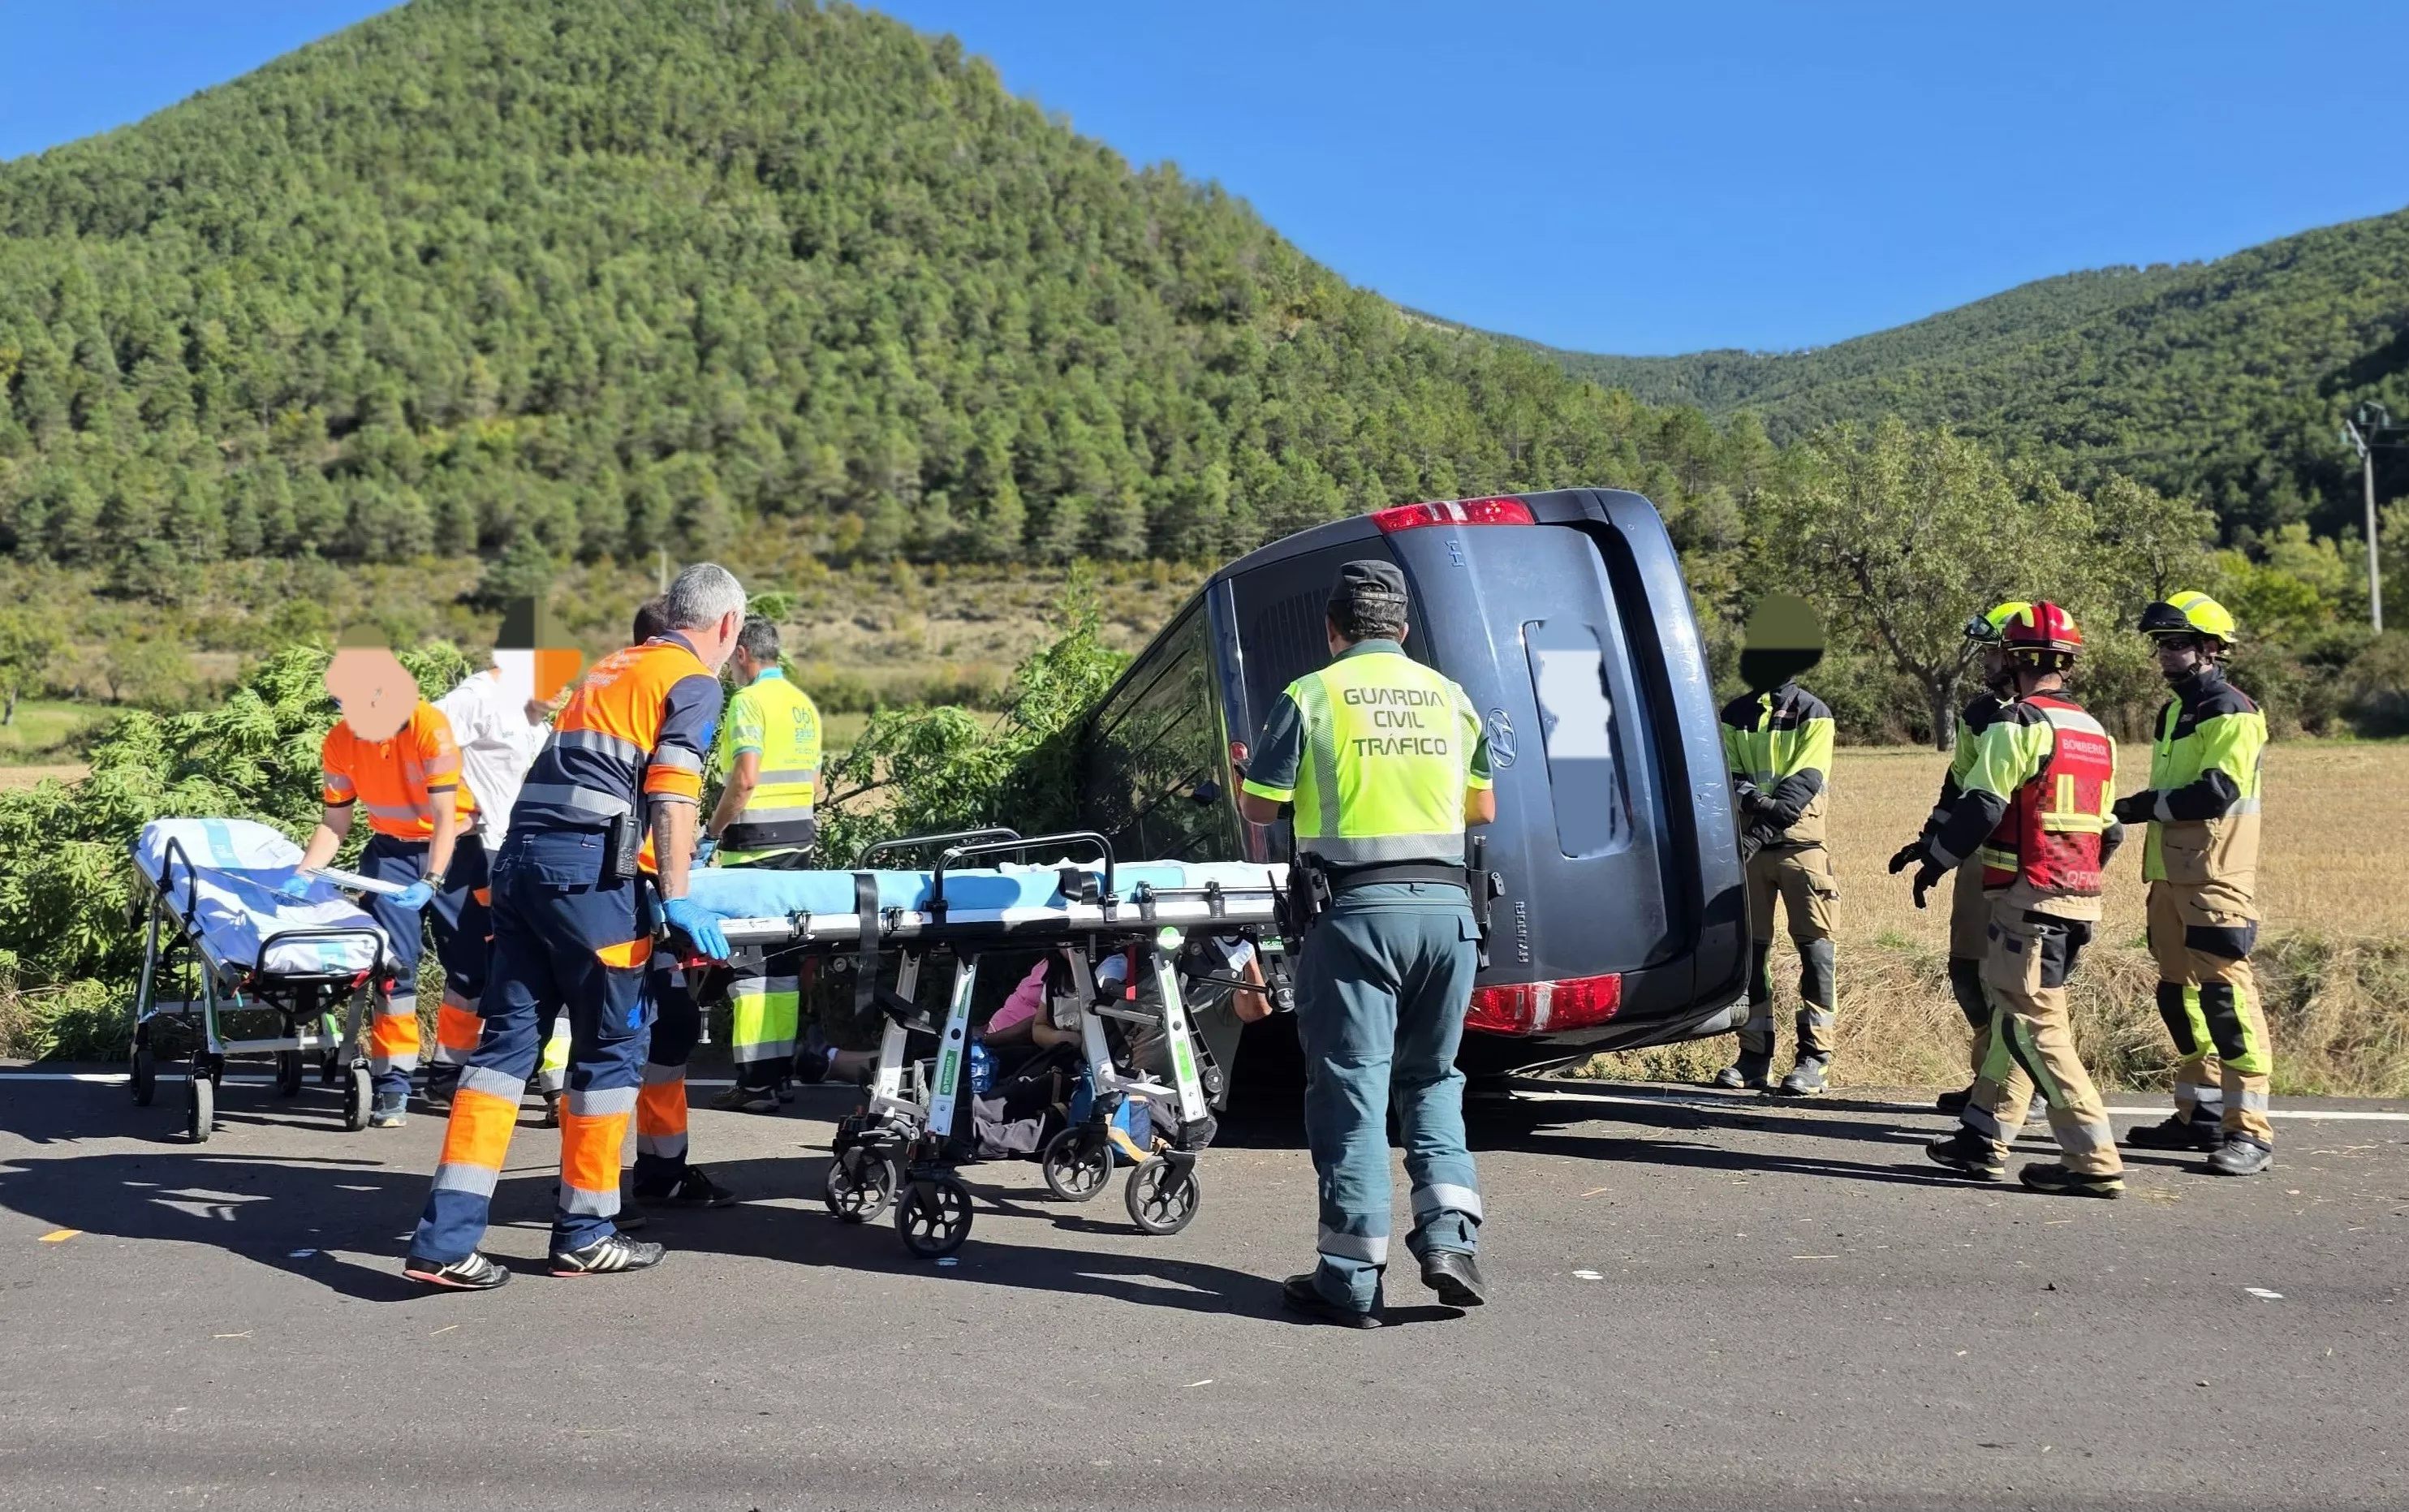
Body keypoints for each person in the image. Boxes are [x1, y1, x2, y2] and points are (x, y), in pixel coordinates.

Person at [403, 564, 746, 1290]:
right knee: (613, 1049)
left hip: (519, 865)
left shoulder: (610, 668)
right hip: (589, 880)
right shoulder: (693, 681)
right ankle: (586, 1233)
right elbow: (674, 791)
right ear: (727, 626)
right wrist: (678, 895)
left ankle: (444, 1240)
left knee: (503, 1052)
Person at [1237, 558, 1494, 1328]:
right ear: (1403, 629)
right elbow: (1482, 807)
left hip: (1355, 917)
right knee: (1433, 1077)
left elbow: (1261, 807)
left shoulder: (1311, 695)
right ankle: (1450, 1239)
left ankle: (1350, 1278)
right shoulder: (1451, 697)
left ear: (1333, 628)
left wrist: (1248, 775)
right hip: (1449, 916)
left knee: (1352, 1088)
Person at [1919, 603, 2127, 1198]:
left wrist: (1937, 859)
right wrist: (2074, 879)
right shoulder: (2094, 732)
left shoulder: (2018, 723)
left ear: (2017, 661)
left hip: (2027, 898)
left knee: (2037, 1030)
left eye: (2002, 655)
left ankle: (2093, 1159)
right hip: (2077, 899)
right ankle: (1982, 1137)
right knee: (2015, 1017)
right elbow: (2110, 831)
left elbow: (1983, 803)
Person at [2113, 592, 2273, 1177]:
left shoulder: (2232, 710)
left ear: (2211, 649)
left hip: (2215, 876)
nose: (2165, 654)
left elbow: (2217, 791)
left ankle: (2249, 1131)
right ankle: (2199, 1115)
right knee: (2178, 997)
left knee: (2227, 1000)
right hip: (2168, 876)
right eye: (2161, 644)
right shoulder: (2175, 712)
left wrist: (2136, 807)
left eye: (2176, 644)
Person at [285, 627, 471, 1128]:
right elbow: (335, 821)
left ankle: (448, 1073)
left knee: (470, 971)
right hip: (389, 855)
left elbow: (446, 818)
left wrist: (433, 879)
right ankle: (393, 1085)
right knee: (393, 969)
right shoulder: (339, 741)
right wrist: (305, 873)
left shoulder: (429, 726)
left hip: (453, 853)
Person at [422, 599, 574, 1113]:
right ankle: (450, 1071)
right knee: (475, 968)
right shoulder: (478, 698)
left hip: (526, 853)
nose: (563, 688)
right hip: (479, 854)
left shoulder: (537, 716)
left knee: (535, 963)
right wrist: (456, 810)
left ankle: (543, 1080)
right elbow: (418, 744)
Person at [1888, 602, 2028, 1115]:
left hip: (2024, 868)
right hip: (1975, 859)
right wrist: (1930, 842)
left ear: (2017, 654)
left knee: (2010, 982)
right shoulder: (1977, 714)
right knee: (1966, 973)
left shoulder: (2042, 718)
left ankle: (2016, 1085)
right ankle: (1990, 1076)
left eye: (1992, 651)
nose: (1984, 661)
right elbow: (1959, 786)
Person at [1714, 594, 1840, 1096]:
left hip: (1800, 851)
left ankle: (1814, 1060)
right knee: (1751, 957)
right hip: (1752, 854)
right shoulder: (1734, 713)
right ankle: (1754, 1057)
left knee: (1817, 955)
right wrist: (1755, 801)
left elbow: (1800, 788)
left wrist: (1755, 824)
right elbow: (1728, 776)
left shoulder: (1815, 713)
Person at [702, 615, 825, 1114]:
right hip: (798, 849)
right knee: (784, 967)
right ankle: (776, 1078)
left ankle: (755, 1085)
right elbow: (815, 785)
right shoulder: (802, 705)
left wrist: (711, 832)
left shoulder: (748, 702)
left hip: (753, 851)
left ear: (742, 654)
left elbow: (746, 779)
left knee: (751, 974)